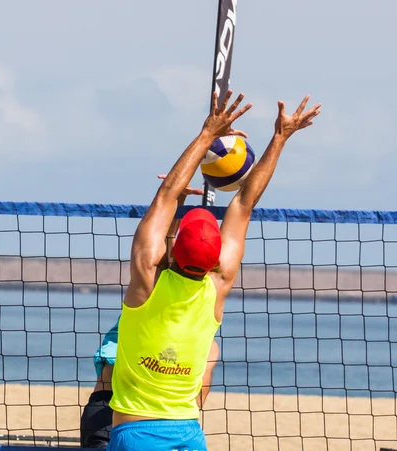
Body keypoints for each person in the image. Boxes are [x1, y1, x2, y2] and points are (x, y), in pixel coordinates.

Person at [106, 91, 321, 451]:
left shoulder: (147, 280)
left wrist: (208, 133)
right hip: (188, 434)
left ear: (171, 249)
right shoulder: (217, 287)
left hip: (136, 434)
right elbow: (245, 203)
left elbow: (164, 198)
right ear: (216, 260)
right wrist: (280, 138)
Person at [80, 178, 219, 448]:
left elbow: (162, 258)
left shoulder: (147, 296)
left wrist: (175, 202)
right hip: (153, 417)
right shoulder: (203, 336)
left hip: (120, 410)